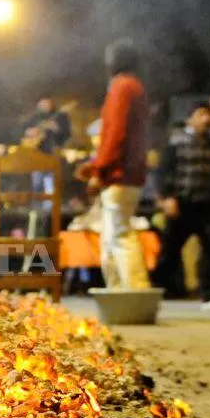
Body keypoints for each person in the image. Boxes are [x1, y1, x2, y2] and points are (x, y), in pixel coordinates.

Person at [75, 39, 151, 290]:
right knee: (110, 238)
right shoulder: (135, 87)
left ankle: (136, 293)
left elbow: (115, 134)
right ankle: (117, 294)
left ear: (114, 61)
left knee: (119, 235)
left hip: (119, 175)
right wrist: (95, 166)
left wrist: (100, 171)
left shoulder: (122, 86)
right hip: (129, 172)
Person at [152, 102, 210, 312]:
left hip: (207, 205)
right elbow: (163, 172)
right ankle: (157, 289)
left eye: (209, 115)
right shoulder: (176, 142)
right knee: (170, 250)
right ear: (190, 119)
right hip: (181, 204)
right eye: (201, 114)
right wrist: (167, 197)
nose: (206, 119)